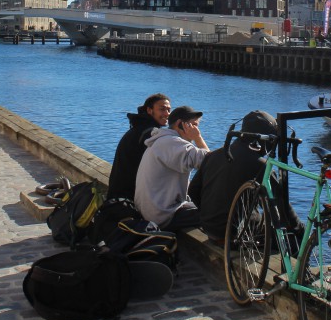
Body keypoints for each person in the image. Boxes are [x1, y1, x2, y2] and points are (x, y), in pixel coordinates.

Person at [189, 110, 303, 246]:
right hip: (235, 234)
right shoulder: (259, 164)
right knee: (293, 238)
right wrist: (301, 230)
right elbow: (281, 206)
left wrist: (209, 215)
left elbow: (193, 191)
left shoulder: (214, 155)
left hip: (209, 228)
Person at [134, 105, 209, 231]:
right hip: (163, 215)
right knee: (218, 211)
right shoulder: (171, 142)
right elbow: (208, 161)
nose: (197, 129)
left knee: (206, 205)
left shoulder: (164, 140)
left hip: (152, 211)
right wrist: (198, 138)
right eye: (194, 125)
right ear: (180, 124)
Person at [106, 94, 171, 200]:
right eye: (162, 109)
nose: (167, 113)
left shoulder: (140, 128)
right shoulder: (149, 134)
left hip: (119, 193)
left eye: (169, 110)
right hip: (129, 197)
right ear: (150, 110)